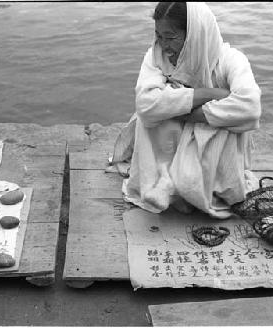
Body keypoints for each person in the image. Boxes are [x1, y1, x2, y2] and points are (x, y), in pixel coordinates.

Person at [112, 2, 261, 219]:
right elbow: (145, 104)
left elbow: (250, 107)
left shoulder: (232, 61)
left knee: (221, 124)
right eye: (159, 36)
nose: (163, 45)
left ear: (194, 35)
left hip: (213, 149)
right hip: (173, 138)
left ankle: (203, 186)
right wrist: (211, 94)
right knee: (154, 118)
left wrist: (181, 110)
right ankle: (170, 184)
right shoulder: (156, 57)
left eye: (171, 37)